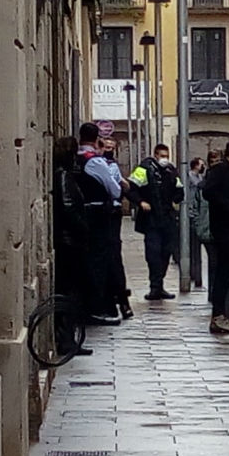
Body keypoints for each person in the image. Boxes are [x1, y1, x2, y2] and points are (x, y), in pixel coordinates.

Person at [75, 123, 123, 325]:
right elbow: (115, 190)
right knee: (99, 262)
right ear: (96, 140)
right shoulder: (95, 162)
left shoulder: (74, 158)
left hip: (79, 215)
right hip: (98, 217)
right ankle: (97, 307)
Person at [51, 136, 93, 356]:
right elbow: (68, 207)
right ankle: (66, 339)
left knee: (69, 291)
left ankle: (67, 338)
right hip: (70, 244)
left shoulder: (62, 175)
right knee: (71, 291)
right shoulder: (64, 176)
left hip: (67, 242)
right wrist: (83, 228)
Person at [130, 143, 184, 301]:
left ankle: (159, 285)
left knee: (166, 252)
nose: (165, 159)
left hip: (167, 218)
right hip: (151, 219)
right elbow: (131, 188)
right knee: (153, 253)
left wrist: (175, 200)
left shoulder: (171, 170)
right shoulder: (144, 169)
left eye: (167, 156)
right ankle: (155, 286)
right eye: (162, 156)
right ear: (155, 155)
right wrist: (140, 202)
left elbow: (179, 189)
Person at [201, 141, 229, 334]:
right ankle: (218, 315)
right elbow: (208, 191)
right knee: (225, 271)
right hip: (224, 228)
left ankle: (223, 314)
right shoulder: (220, 170)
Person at [98, 136, 134, 320]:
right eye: (106, 146)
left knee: (113, 256)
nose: (109, 150)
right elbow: (117, 188)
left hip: (112, 213)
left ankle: (119, 299)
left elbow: (121, 186)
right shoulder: (97, 163)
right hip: (104, 213)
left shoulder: (111, 165)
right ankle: (117, 300)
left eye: (112, 147)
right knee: (111, 258)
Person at [187, 157, 208, 288]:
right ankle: (194, 274)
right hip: (193, 213)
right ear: (195, 165)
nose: (203, 166)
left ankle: (197, 276)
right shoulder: (190, 178)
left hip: (199, 214)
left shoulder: (200, 177)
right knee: (194, 248)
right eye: (201, 164)